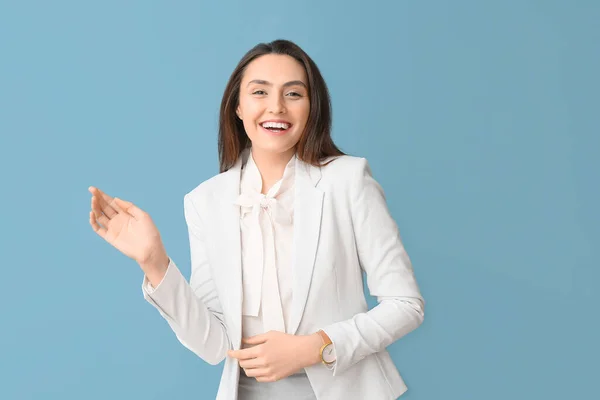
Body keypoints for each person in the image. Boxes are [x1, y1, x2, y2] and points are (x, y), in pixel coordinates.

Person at [88, 39, 425, 400]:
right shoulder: (205, 201)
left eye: (293, 94)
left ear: (313, 107)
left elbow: (406, 305)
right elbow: (214, 344)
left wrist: (316, 347)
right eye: (260, 92)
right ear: (238, 105)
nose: (276, 107)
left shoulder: (348, 179)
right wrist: (155, 264)